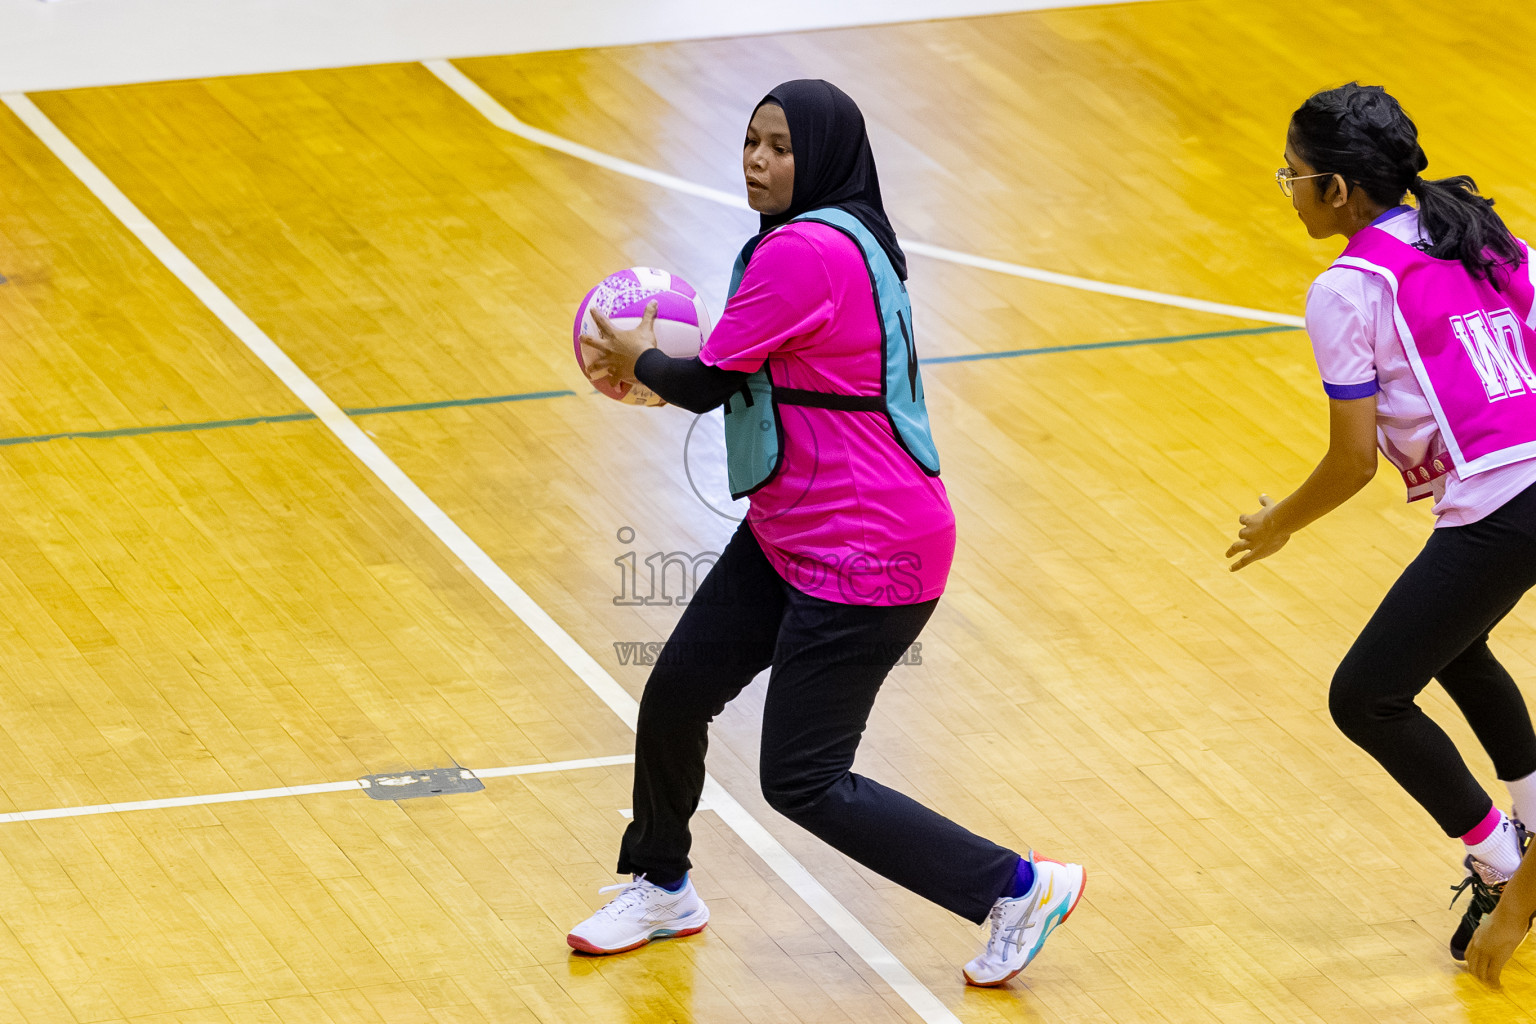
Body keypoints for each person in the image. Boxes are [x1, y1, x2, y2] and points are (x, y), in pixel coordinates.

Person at [571, 78, 1085, 986]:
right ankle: (661, 883)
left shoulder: (803, 254)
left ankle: (1016, 886)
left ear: (822, 158)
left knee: (803, 778)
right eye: (750, 142)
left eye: (780, 146)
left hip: (869, 554)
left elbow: (704, 382)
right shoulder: (842, 236)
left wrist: (632, 357)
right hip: (790, 533)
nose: (757, 161)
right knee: (679, 693)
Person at [1226, 82, 1536, 962]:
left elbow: (1353, 461)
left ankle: (1501, 859)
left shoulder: (1348, 288)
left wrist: (1280, 522)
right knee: (1454, 646)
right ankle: (1528, 816)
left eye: (1291, 177)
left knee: (1365, 696)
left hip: (1506, 504)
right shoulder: (1487, 235)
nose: (1286, 191)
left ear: (1335, 190)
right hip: (1525, 489)